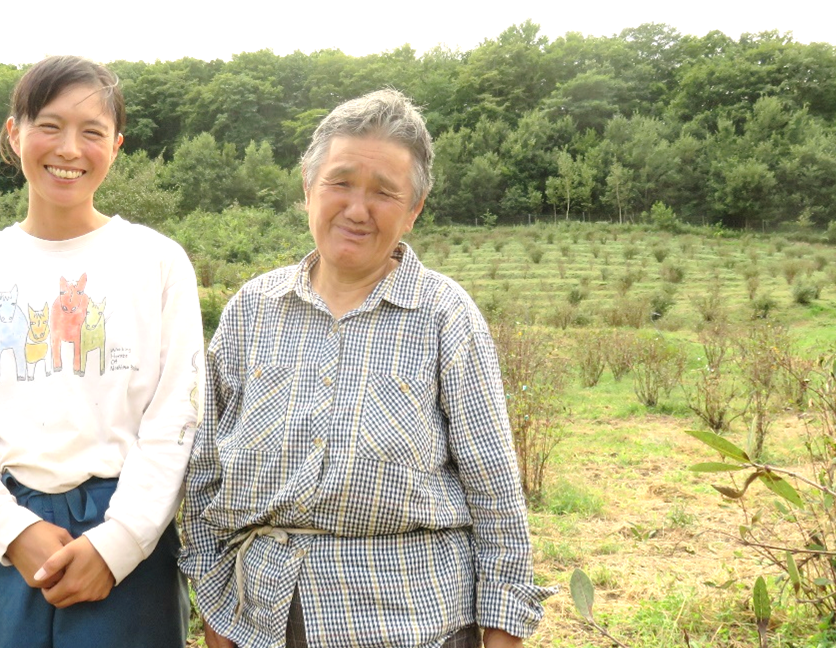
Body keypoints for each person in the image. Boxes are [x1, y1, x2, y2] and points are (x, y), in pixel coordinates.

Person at [179, 89, 556, 648]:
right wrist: (218, 616)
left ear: (414, 210)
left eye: (384, 192)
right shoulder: (251, 310)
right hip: (260, 621)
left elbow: (495, 493)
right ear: (308, 187)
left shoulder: (445, 315)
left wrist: (502, 634)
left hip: (413, 623)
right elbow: (203, 473)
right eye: (341, 182)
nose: (357, 210)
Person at [0, 55, 204, 648]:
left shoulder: (157, 261)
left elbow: (178, 412)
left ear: (117, 146)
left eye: (92, 131)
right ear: (14, 133)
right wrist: (8, 528)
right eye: (49, 125)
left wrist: (118, 543)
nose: (69, 149)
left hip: (127, 532)